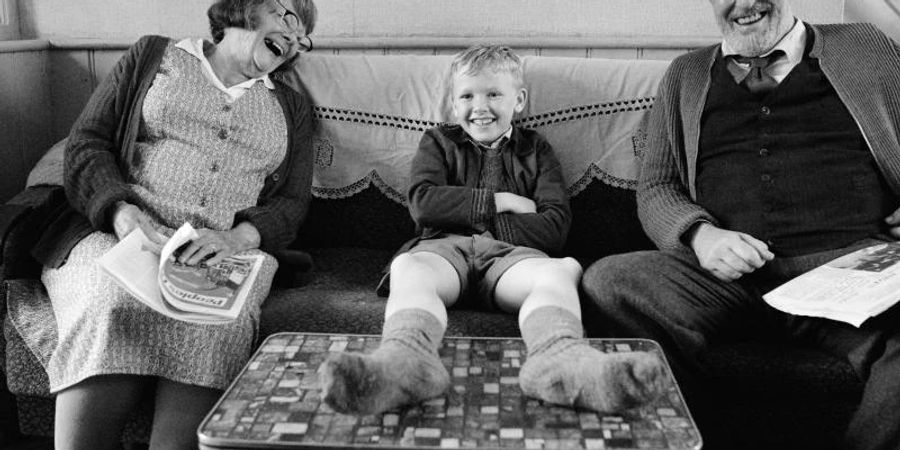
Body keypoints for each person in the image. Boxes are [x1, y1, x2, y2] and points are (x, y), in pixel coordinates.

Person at [581, 1, 900, 449]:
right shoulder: (686, 74)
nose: (745, 3)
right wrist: (700, 234)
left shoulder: (865, 46)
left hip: (849, 269)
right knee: (610, 283)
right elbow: (656, 187)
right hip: (725, 282)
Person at [6, 0, 318, 448]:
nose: (293, 37)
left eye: (302, 34)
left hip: (226, 250)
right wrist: (121, 212)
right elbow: (87, 144)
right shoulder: (154, 55)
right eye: (287, 17)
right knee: (109, 300)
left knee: (215, 322)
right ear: (245, 9)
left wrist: (238, 237)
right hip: (116, 231)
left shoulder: (290, 105)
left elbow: (292, 200)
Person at [317, 44, 666, 416]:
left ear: (519, 100)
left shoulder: (536, 150)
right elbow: (423, 204)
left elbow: (554, 228)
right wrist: (502, 202)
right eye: (467, 95)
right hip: (443, 253)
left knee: (559, 269)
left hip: (510, 259)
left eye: (494, 94)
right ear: (454, 103)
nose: (479, 107)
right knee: (409, 267)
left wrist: (465, 213)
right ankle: (407, 361)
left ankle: (560, 361)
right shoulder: (439, 142)